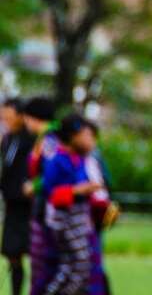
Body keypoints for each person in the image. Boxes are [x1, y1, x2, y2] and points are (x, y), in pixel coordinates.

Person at [42, 113, 107, 294]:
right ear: (72, 136)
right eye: (85, 135)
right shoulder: (57, 160)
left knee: (75, 266)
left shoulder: (78, 159)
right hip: (64, 219)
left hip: (80, 219)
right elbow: (51, 194)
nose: (89, 139)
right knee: (80, 264)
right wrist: (79, 190)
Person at [21, 96, 60, 295]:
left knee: (44, 264)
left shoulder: (51, 139)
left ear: (33, 118)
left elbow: (53, 174)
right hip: (44, 208)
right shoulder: (45, 138)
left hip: (49, 209)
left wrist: (33, 186)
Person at [1, 98, 35, 295]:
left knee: (35, 252)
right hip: (12, 204)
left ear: (21, 117)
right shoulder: (7, 140)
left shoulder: (30, 140)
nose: (4, 118)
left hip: (27, 205)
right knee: (12, 254)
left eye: (8, 115)